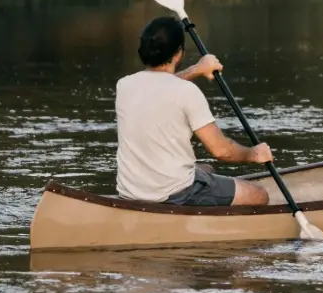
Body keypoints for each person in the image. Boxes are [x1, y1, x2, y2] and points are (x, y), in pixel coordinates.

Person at [115, 15, 273, 207]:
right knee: (259, 195)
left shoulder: (124, 86)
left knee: (206, 169)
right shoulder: (187, 92)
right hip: (175, 193)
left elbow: (161, 86)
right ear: (178, 53)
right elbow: (221, 150)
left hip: (130, 191)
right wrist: (253, 154)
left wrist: (197, 69)